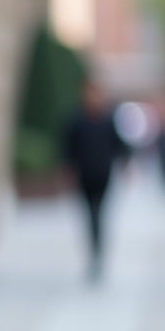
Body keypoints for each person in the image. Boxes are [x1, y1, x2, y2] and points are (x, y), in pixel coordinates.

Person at [63, 80, 129, 279]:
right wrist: (66, 170)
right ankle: (93, 252)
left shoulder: (108, 119)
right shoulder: (76, 119)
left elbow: (119, 145)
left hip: (103, 175)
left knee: (99, 214)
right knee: (89, 215)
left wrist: (126, 163)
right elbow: (68, 148)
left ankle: (98, 253)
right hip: (84, 176)